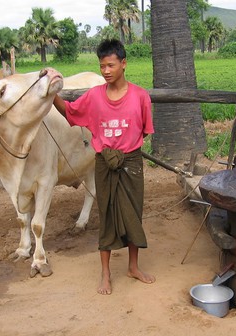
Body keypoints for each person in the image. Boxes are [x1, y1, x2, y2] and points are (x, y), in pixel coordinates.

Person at [53, 38, 156, 295]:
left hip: (131, 162)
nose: (106, 71)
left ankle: (133, 267)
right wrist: (51, 94)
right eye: (102, 66)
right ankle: (106, 274)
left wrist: (123, 152)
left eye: (110, 65)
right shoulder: (94, 97)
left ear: (124, 64)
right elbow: (69, 112)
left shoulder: (141, 96)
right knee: (106, 214)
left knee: (133, 213)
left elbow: (143, 133)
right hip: (104, 163)